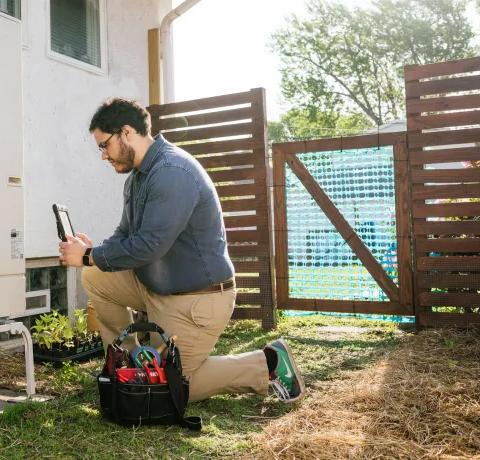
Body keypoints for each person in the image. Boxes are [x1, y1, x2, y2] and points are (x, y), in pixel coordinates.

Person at [58, 97, 305, 404]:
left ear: (126, 132)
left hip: (197, 300)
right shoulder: (137, 178)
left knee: (163, 391)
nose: (103, 156)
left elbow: (149, 245)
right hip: (158, 289)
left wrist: (87, 255)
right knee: (96, 275)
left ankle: (266, 364)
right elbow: (125, 235)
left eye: (104, 145)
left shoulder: (172, 171)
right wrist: (94, 254)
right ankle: (130, 361)